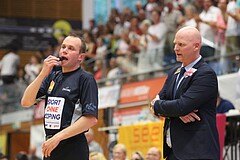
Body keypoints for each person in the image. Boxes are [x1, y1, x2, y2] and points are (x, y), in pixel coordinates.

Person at [21, 33, 98, 160]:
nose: (65, 51)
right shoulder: (52, 76)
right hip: (51, 146)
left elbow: (91, 119)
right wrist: (42, 73)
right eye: (63, 47)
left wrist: (58, 137)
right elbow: (26, 102)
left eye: (71, 48)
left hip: (73, 147)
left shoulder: (85, 79)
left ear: (81, 57)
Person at [149, 26, 220, 159]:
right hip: (173, 152)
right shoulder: (173, 72)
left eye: (181, 44)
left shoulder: (205, 74)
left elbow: (182, 106)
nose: (176, 48)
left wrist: (160, 106)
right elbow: (154, 104)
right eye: (175, 44)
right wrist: (172, 110)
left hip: (197, 152)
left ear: (196, 46)